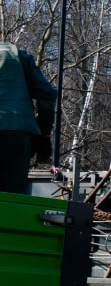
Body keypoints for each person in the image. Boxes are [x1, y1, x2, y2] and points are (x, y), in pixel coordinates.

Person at [0, 42, 57, 193]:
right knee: (11, 198)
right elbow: (47, 95)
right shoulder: (18, 54)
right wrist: (44, 135)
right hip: (16, 132)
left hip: (16, 129)